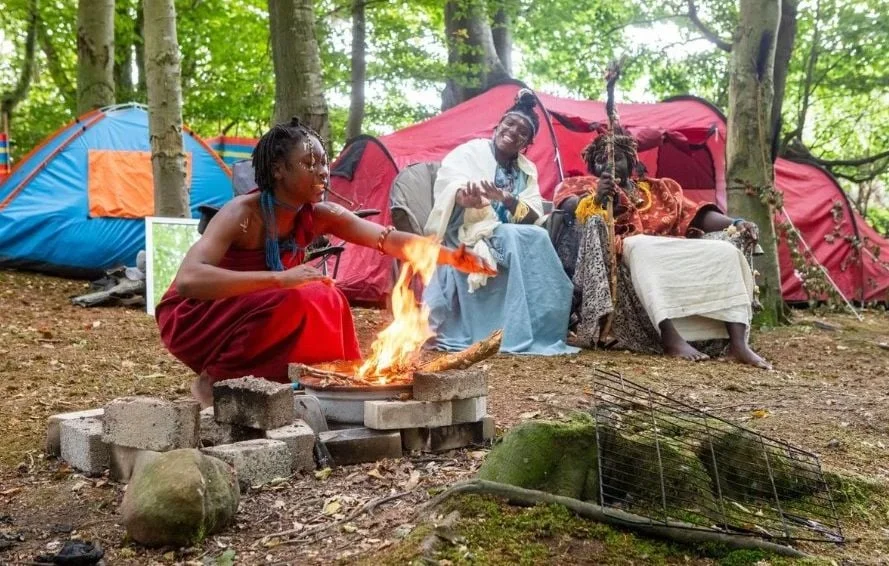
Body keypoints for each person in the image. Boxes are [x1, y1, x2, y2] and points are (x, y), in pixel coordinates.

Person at [156, 118, 493, 406]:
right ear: (278, 170)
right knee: (301, 296)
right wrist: (281, 280)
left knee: (327, 297)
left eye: (325, 162)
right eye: (310, 163)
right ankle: (214, 380)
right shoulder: (241, 214)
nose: (324, 173)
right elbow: (188, 280)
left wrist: (451, 255)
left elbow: (386, 239)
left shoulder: (321, 215)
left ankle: (322, 387)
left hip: (260, 305)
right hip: (196, 316)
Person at [553, 129, 771, 369]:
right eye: (601, 159)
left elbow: (695, 215)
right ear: (593, 167)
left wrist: (736, 223)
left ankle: (738, 344)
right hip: (628, 248)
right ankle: (669, 337)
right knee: (643, 247)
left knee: (726, 252)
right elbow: (571, 207)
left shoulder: (661, 189)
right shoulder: (585, 186)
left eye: (617, 158)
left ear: (632, 161)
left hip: (672, 246)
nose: (609, 164)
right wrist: (599, 199)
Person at [422, 89, 577, 355]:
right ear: (498, 126)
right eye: (510, 125)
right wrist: (466, 198)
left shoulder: (527, 170)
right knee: (518, 237)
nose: (513, 132)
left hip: (508, 235)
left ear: (526, 143)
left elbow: (534, 215)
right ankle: (504, 333)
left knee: (532, 236)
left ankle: (540, 329)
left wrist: (506, 198)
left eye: (522, 132)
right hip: (468, 231)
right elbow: (452, 183)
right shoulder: (471, 151)